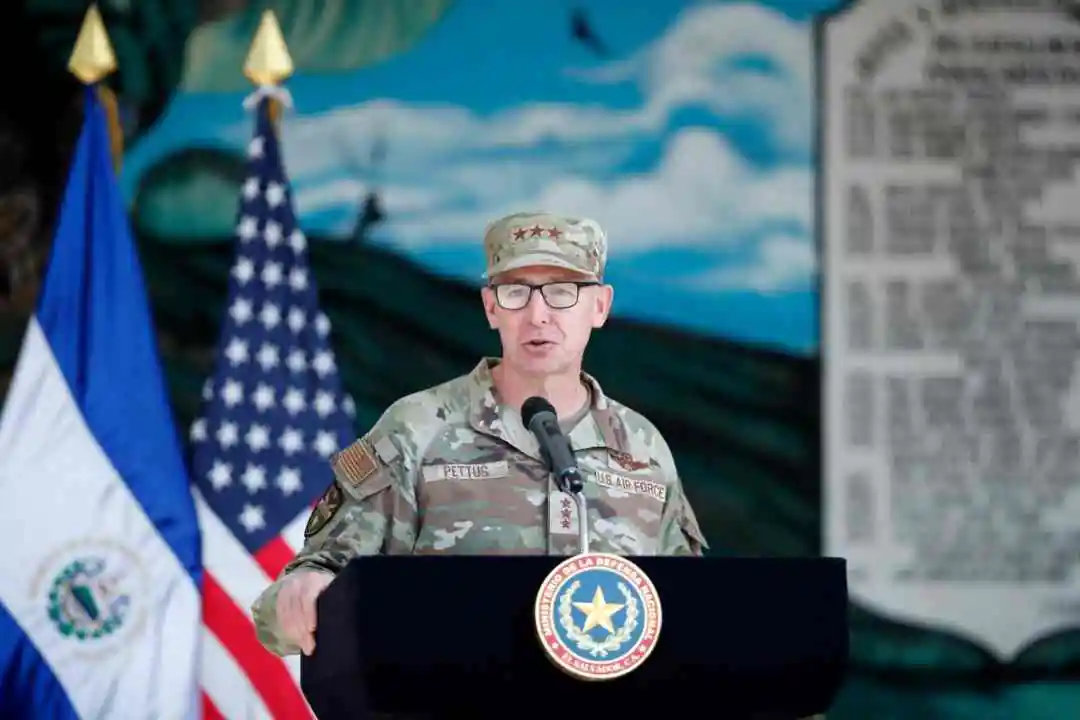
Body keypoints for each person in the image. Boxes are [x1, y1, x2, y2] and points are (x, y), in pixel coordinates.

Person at [251, 211, 708, 657]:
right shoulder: (419, 428)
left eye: (562, 292)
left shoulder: (643, 446)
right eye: (515, 292)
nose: (538, 315)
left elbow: (694, 609)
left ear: (600, 307)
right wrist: (304, 591)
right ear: (491, 307)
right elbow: (303, 589)